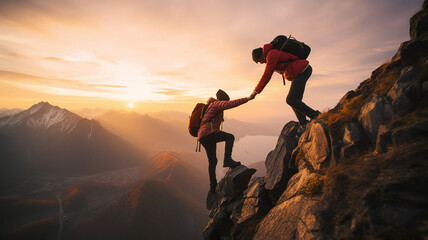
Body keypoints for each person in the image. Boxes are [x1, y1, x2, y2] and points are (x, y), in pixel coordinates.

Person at [249, 43, 320, 127]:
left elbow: (266, 76)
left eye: (259, 61)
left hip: (302, 71)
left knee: (291, 100)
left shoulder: (271, 55)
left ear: (261, 55)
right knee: (295, 100)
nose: (261, 63)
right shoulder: (271, 55)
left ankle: (316, 115)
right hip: (300, 72)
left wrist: (255, 92)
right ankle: (303, 123)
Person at [198, 89, 250, 193]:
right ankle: (227, 159)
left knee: (212, 161)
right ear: (222, 100)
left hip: (202, 136)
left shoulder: (210, 106)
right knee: (230, 137)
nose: (225, 104)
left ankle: (213, 187)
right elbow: (232, 104)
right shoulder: (217, 104)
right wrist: (247, 99)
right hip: (209, 133)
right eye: (225, 101)